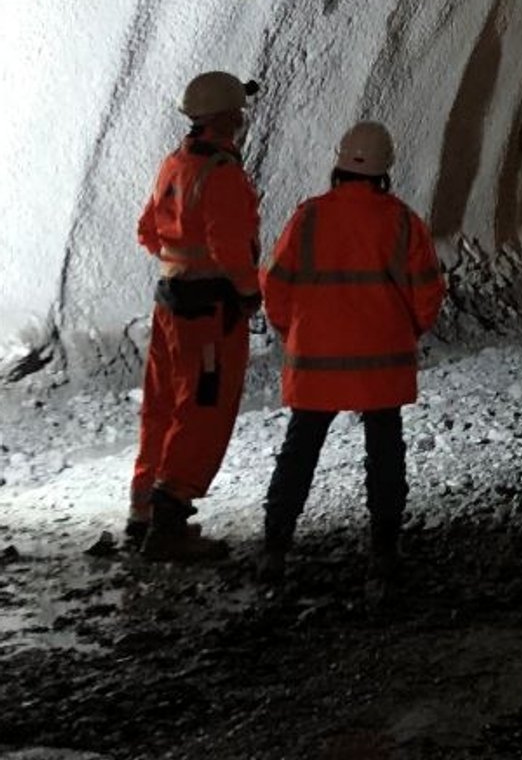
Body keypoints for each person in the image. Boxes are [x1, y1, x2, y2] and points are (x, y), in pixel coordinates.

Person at [258, 122, 446, 587]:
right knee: (385, 451)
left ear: (339, 164)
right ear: (385, 172)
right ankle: (383, 551)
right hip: (381, 365)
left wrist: (295, 335)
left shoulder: (310, 217)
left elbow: (277, 287)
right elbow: (427, 294)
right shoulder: (403, 221)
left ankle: (275, 549)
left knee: (299, 450)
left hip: (316, 363)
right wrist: (405, 333)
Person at [132, 71, 263, 562]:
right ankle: (169, 521)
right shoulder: (222, 172)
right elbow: (229, 245)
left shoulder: (175, 164)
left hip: (170, 301)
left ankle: (142, 511)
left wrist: (179, 261)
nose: (242, 120)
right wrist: (249, 294)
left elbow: (148, 231)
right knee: (202, 407)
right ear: (227, 116)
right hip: (209, 310)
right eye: (238, 113)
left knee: (162, 403)